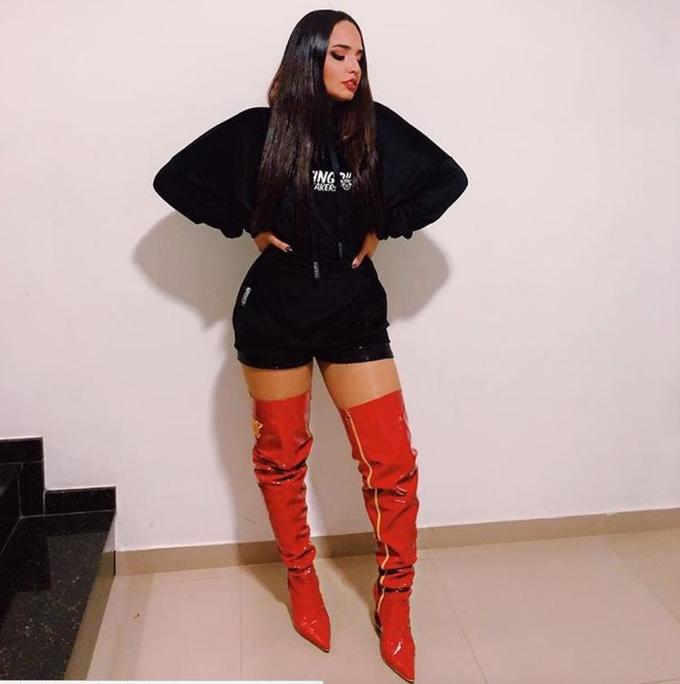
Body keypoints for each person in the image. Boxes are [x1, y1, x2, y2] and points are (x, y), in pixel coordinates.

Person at [153, 9, 468, 683]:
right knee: (281, 458)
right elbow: (173, 180)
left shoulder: (372, 131)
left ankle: (396, 602)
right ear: (309, 57)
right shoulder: (258, 132)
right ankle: (301, 579)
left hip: (353, 312)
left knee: (392, 466)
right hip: (274, 313)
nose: (354, 68)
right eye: (340, 54)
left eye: (360, 57)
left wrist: (385, 224)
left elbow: (448, 178)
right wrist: (247, 222)